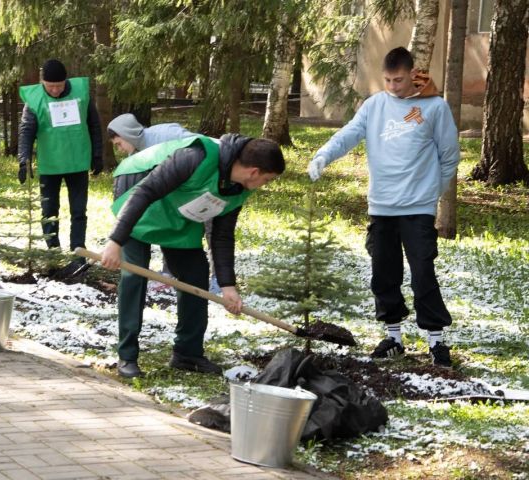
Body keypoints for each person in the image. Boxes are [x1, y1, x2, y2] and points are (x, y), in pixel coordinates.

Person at [307, 47, 460, 368]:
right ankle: (394, 337)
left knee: (422, 273)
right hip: (382, 206)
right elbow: (350, 134)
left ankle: (436, 341)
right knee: (383, 274)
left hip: (418, 207)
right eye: (387, 80)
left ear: (412, 74)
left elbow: (449, 156)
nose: (392, 86)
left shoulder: (434, 107)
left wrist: (433, 192)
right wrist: (323, 154)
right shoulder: (374, 105)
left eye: (399, 80)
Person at [100, 134, 285, 378]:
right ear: (254, 171)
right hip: (139, 187)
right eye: (268, 179)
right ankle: (127, 356)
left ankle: (187, 353)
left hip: (182, 206)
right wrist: (115, 241)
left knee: (195, 273)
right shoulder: (196, 157)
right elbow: (146, 192)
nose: (266, 184)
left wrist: (228, 285)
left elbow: (221, 236)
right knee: (134, 275)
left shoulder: (238, 189)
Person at [107, 113, 227, 293]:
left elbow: (200, 148)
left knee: (214, 228)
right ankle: (169, 274)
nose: (120, 149)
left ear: (128, 134)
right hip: (191, 185)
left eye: (119, 144)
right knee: (169, 220)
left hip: (215, 178)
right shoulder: (142, 149)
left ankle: (219, 281)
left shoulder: (160, 137)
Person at [17, 59, 103, 266]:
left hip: (78, 162)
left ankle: (78, 254)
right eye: (50, 86)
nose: (55, 90)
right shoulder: (35, 99)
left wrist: (97, 155)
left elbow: (94, 124)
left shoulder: (81, 94)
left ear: (66, 81)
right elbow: (26, 130)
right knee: (49, 211)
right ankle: (53, 254)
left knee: (79, 211)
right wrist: (23, 159)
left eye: (59, 85)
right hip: (50, 164)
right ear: (42, 83)